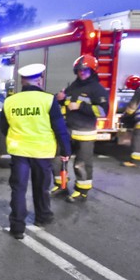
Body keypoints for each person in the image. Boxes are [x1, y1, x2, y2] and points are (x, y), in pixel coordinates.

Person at [0, 64, 71, 239]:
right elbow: (60, 128)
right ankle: (42, 217)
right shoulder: (48, 100)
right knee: (41, 188)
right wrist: (66, 149)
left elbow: (3, 128)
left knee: (18, 189)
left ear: (22, 81)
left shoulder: (10, 101)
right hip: (42, 152)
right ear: (39, 80)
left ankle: (17, 228)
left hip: (19, 152)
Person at [51, 55, 109, 203]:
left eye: (85, 70)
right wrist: (61, 99)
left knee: (81, 163)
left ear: (92, 71)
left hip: (85, 133)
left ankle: (81, 191)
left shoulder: (98, 90)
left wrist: (81, 106)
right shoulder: (73, 86)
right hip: (68, 130)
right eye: (79, 70)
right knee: (57, 159)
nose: (82, 73)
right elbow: (66, 104)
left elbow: (103, 111)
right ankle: (61, 185)